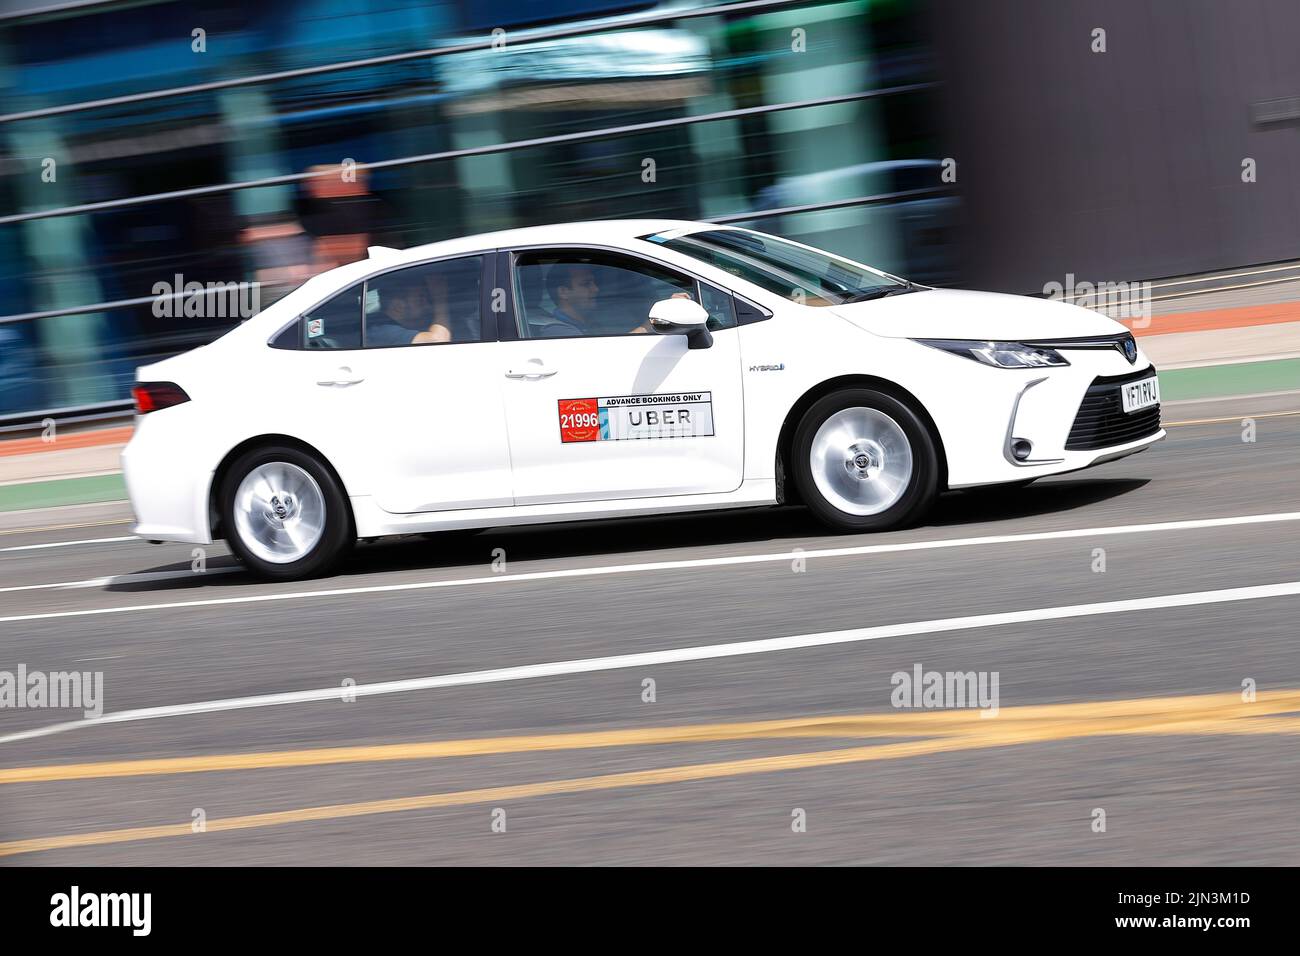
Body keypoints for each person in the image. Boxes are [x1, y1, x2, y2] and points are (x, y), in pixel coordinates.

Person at [366, 277, 450, 346]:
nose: (427, 305)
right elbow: (439, 342)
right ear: (398, 307)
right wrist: (439, 299)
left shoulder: (387, 325)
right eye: (420, 299)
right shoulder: (382, 331)